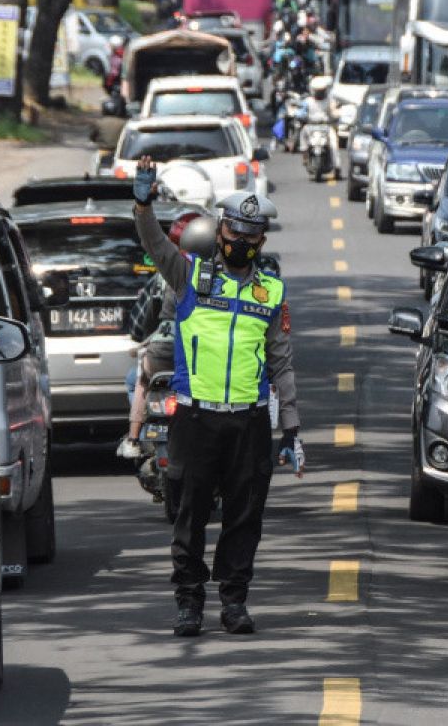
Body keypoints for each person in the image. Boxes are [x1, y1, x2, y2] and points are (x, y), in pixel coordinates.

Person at [132, 156, 302, 637]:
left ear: (260, 242)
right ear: (220, 233)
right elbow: (153, 243)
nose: (240, 244)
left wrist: (290, 427)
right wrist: (143, 204)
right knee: (190, 515)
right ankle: (189, 603)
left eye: (251, 238)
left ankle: (233, 602)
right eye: (234, 235)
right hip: (195, 419)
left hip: (248, 422)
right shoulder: (189, 276)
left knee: (244, 519)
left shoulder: (270, 292)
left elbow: (281, 363)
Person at [119, 212, 214, 461]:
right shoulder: (219, 278)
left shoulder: (164, 278)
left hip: (160, 354)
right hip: (199, 359)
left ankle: (133, 438)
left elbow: (138, 325)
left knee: (138, 380)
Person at [297, 76, 341, 178]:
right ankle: (305, 157)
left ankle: (337, 166)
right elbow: (301, 112)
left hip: (326, 126)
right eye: (317, 91)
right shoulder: (308, 101)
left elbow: (334, 113)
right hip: (310, 126)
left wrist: (337, 115)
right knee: (302, 136)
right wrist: (299, 116)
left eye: (321, 90)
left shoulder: (329, 101)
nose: (319, 93)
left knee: (334, 144)